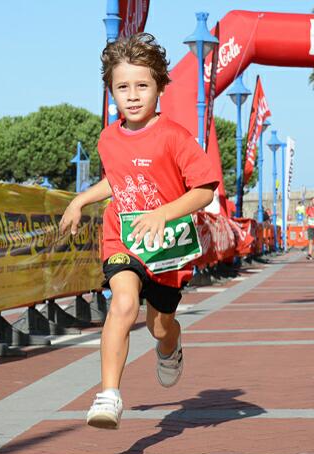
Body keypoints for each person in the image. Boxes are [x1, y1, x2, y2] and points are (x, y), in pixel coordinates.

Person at [59, 33, 218, 430]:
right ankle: (109, 395)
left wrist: (164, 213)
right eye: (122, 87)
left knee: (158, 325)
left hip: (166, 249)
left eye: (142, 86)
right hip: (123, 238)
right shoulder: (108, 138)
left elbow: (204, 189)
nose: (132, 96)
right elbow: (118, 181)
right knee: (123, 303)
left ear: (160, 87)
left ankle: (171, 344)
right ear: (110, 91)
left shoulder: (174, 137)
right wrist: (81, 200)